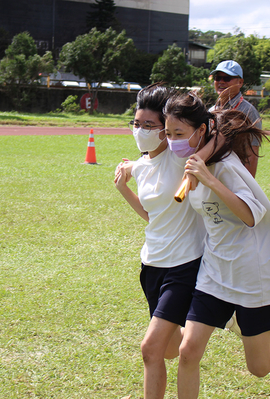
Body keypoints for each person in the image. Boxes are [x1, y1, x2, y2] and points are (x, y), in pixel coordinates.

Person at [162, 92, 270, 399]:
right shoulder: (193, 161)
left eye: (179, 134)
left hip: (252, 270)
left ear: (200, 131)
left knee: (260, 367)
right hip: (215, 270)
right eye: (168, 133)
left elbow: (251, 216)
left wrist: (211, 181)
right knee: (188, 352)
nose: (173, 141)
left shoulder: (225, 166)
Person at [114, 84, 206, 399]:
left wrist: (194, 100)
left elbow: (211, 132)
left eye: (149, 125)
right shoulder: (141, 165)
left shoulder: (181, 156)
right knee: (167, 350)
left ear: (166, 129)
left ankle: (209, 321)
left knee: (150, 349)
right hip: (151, 266)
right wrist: (124, 186)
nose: (140, 130)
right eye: (136, 124)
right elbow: (154, 216)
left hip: (184, 266)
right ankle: (214, 319)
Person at [209, 60, 262, 177]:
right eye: (217, 78)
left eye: (227, 78)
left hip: (235, 177)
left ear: (240, 82)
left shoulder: (248, 111)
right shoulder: (211, 111)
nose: (221, 82)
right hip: (212, 175)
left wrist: (248, 188)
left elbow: (252, 154)